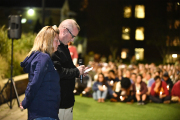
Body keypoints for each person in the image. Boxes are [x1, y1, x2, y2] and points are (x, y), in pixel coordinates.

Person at [20, 26, 60, 120]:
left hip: (45, 112)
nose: (58, 43)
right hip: (43, 113)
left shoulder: (42, 57)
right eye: (56, 40)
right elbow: (35, 83)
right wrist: (25, 102)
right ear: (48, 41)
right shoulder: (43, 58)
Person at [51, 19, 86, 120]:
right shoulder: (54, 46)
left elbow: (67, 69)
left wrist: (79, 72)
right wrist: (76, 71)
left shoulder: (64, 46)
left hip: (67, 101)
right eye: (73, 36)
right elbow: (58, 72)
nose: (73, 40)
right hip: (58, 103)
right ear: (64, 31)